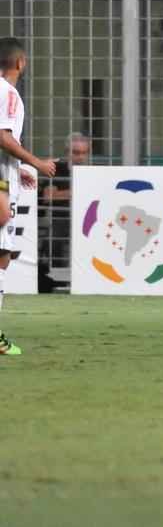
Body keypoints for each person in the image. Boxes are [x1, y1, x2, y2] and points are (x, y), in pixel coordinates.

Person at [0, 38, 57, 355]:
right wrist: (34, 162)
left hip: (6, 175)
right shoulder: (7, 93)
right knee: (1, 249)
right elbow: (2, 136)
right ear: (20, 63)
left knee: (2, 253)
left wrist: (17, 165)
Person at [39, 132, 91, 289]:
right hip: (61, 217)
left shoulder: (93, 170)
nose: (80, 157)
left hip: (87, 219)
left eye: (83, 153)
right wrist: (76, 192)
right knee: (55, 237)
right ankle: (57, 278)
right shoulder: (58, 168)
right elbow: (48, 196)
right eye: (76, 153)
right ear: (67, 152)